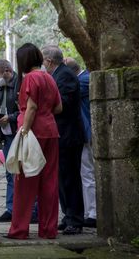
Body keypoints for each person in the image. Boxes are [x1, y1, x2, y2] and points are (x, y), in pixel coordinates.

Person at [7, 43, 62, 240]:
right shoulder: (49, 77)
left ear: (23, 60)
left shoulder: (30, 78)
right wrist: (44, 114)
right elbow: (58, 108)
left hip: (32, 134)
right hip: (51, 132)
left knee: (25, 182)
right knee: (49, 182)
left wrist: (25, 131)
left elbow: (31, 107)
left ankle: (19, 230)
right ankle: (48, 230)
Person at [41, 46, 85, 235]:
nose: (42, 64)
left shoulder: (64, 75)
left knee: (70, 179)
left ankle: (75, 219)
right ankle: (68, 216)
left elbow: (64, 103)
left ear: (49, 61)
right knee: (62, 179)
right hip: (61, 135)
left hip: (68, 135)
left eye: (43, 60)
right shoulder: (57, 75)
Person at [65, 57, 96, 228]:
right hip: (87, 132)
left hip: (87, 133)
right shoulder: (85, 78)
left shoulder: (82, 81)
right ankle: (89, 211)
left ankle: (92, 213)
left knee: (87, 173)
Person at [0, 59, 20, 223]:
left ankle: (32, 210)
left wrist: (11, 117)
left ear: (7, 71)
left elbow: (26, 110)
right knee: (9, 172)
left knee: (23, 171)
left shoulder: (20, 83)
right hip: (5, 134)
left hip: (18, 133)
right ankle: (11, 209)